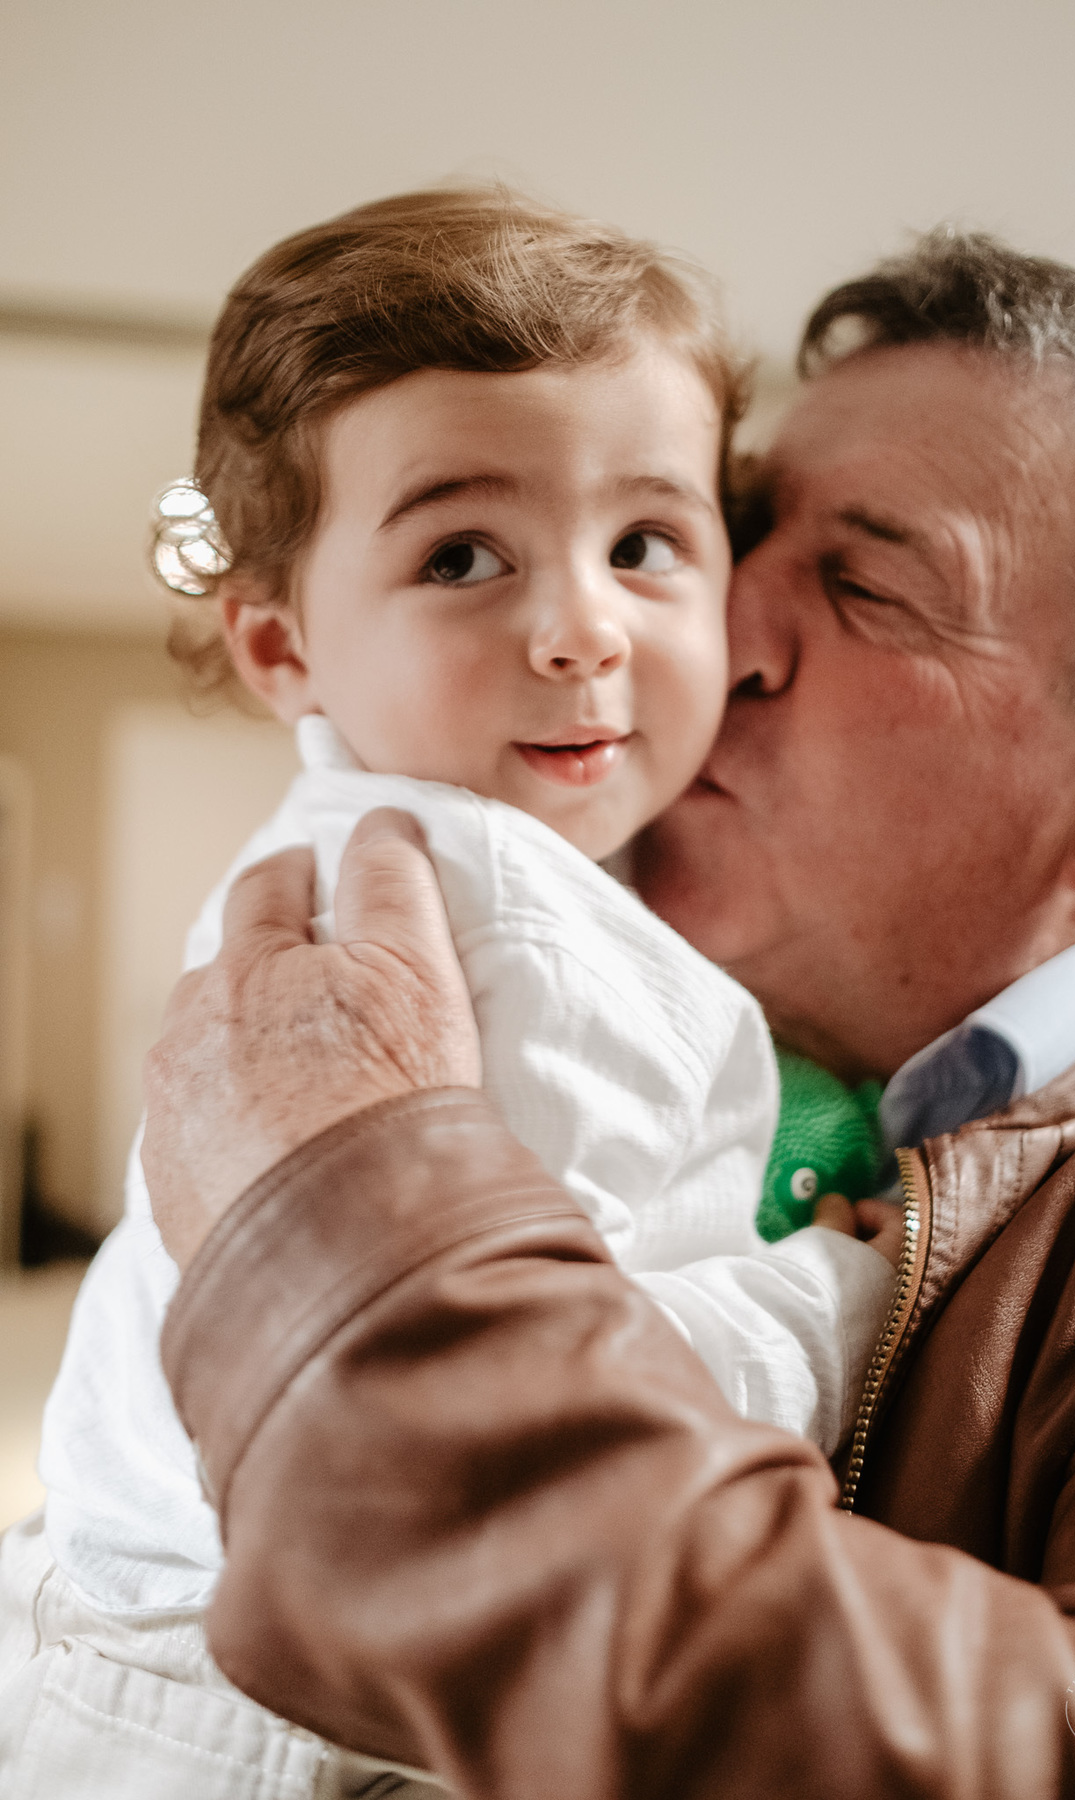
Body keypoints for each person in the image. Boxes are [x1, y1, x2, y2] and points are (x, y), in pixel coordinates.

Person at [136, 232, 1075, 1797]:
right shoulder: (459, 914)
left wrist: (365, 1262)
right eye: (739, 526)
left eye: (861, 582)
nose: (695, 631)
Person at [0, 191, 899, 1797]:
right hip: (288, 1724)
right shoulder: (502, 920)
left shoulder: (394, 853)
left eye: (645, 542)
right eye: (463, 555)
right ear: (282, 648)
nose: (580, 629)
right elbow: (562, 1411)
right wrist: (842, 1295)